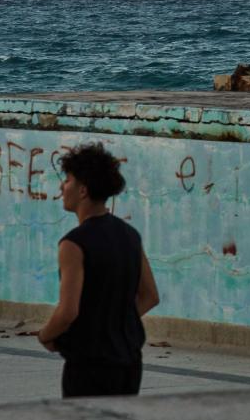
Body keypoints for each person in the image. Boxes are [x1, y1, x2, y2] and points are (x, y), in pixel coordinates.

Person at [37, 143, 160, 398]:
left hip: (89, 366)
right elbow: (150, 296)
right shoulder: (130, 236)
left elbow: (68, 311)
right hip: (129, 363)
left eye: (67, 180)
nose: (62, 187)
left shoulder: (73, 244)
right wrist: (116, 323)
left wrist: (45, 335)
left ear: (83, 190)